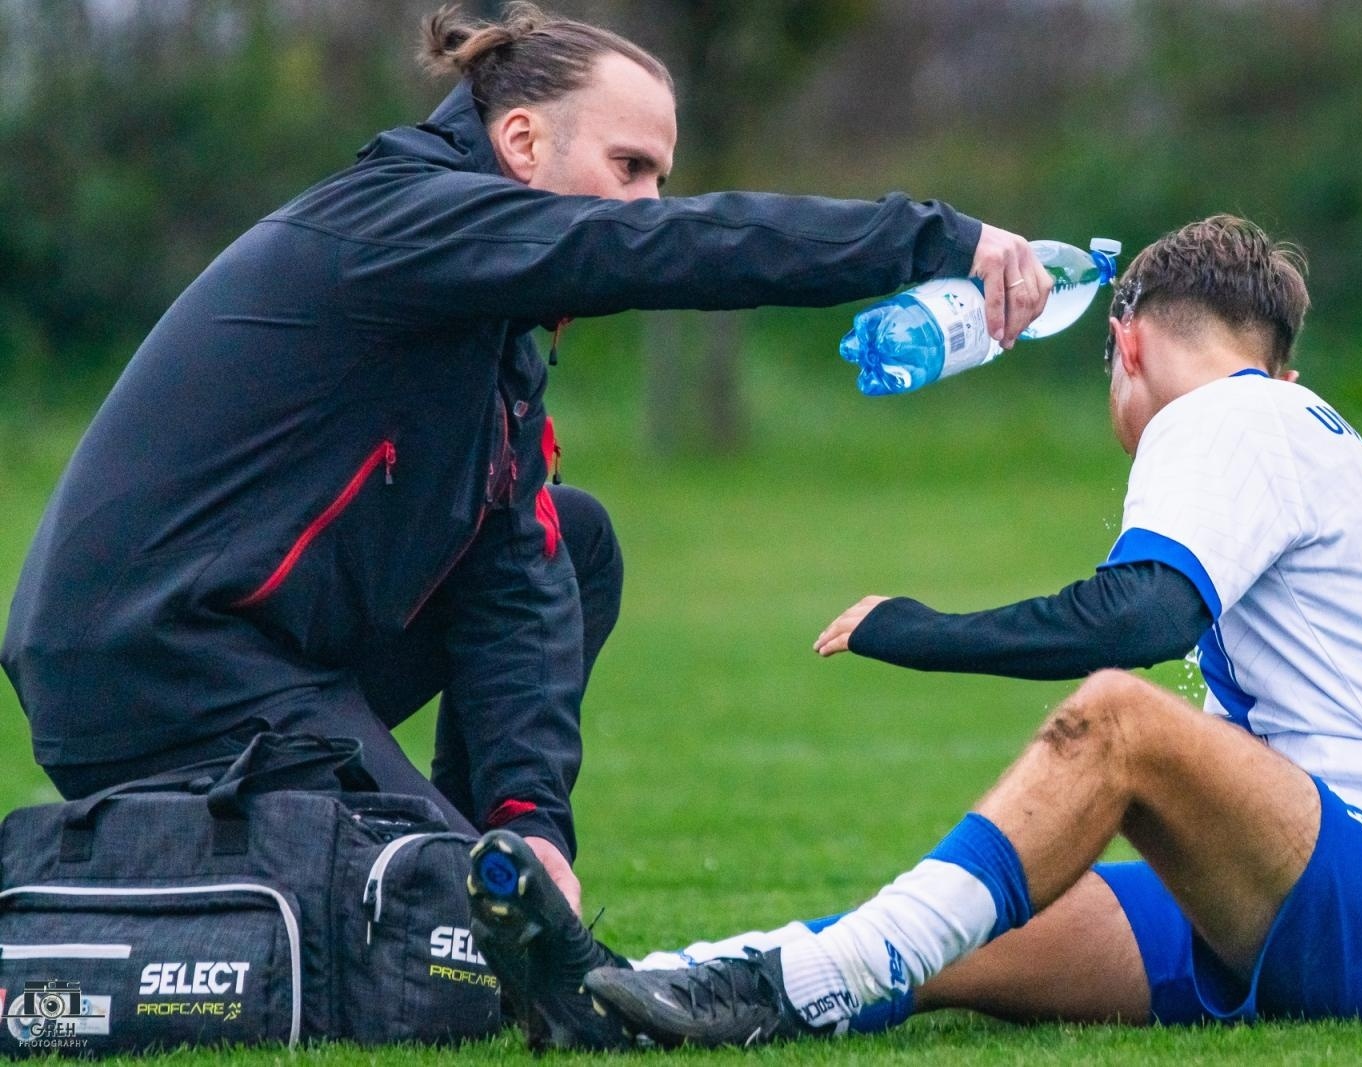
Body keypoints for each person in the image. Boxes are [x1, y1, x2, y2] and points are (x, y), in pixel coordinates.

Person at [0, 2, 1054, 918]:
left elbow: (515, 585)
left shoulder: (492, 320)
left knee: (566, 539)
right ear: (517, 139)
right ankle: (432, 884)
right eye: (628, 167)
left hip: (270, 656)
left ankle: (466, 850)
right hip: (152, 662)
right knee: (435, 916)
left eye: (661, 177)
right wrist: (932, 240)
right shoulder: (403, 220)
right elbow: (670, 249)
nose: (645, 203)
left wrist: (527, 823)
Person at [462, 215, 1362, 1050]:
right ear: (1284, 360)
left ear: (1120, 342)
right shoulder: (1327, 449)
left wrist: (916, 627)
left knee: (1120, 720)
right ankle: (616, 985)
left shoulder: (1219, 412)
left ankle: (799, 982)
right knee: (941, 941)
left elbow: (1143, 613)